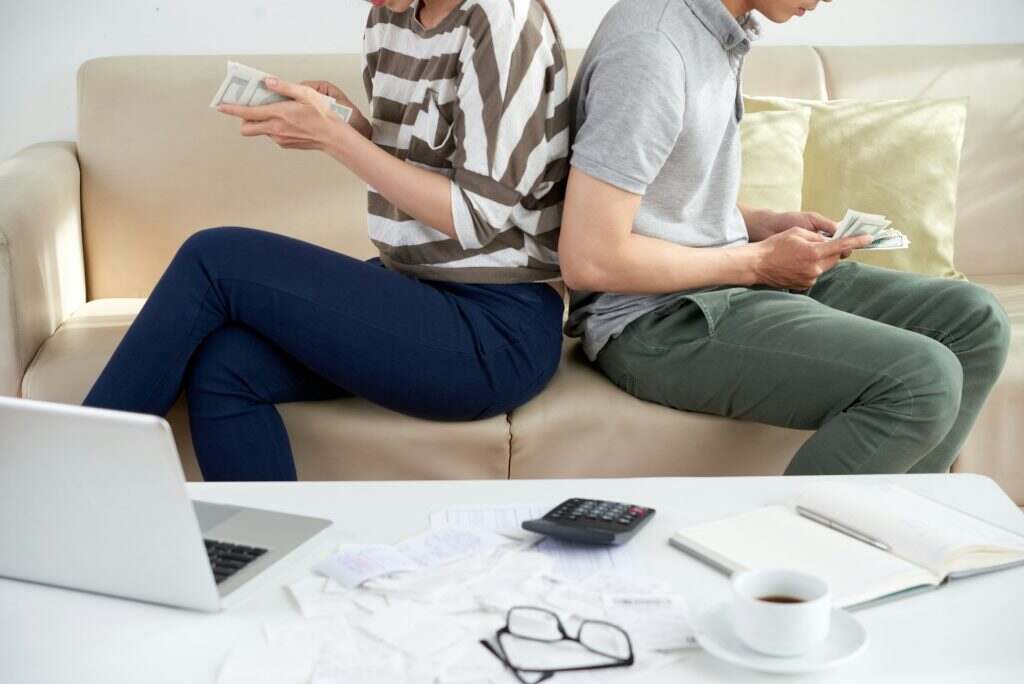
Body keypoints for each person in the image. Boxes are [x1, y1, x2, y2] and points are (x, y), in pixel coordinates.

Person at [83, 0, 570, 481]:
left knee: (213, 258)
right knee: (225, 366)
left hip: (498, 326)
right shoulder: (390, 16)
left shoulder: (501, 20)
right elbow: (416, 165)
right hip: (416, 286)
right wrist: (349, 124)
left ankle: (69, 483)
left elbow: (477, 214)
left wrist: (336, 140)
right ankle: (267, 555)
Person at [559, 0, 1011, 475]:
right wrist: (758, 262)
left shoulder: (716, 31)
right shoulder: (652, 48)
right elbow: (591, 256)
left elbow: (658, 200)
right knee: (924, 378)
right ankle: (793, 547)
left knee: (977, 321)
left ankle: (889, 528)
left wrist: (760, 224)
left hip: (723, 281)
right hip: (653, 319)